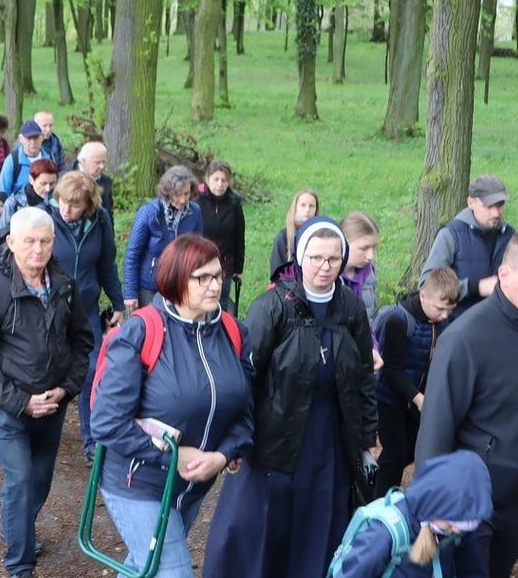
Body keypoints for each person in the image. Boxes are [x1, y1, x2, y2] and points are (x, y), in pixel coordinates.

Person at [203, 216, 377, 577]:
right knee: (264, 527)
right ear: (300, 257)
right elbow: (244, 378)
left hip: (329, 435)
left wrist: (366, 437)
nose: (324, 267)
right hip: (276, 433)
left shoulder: (351, 309)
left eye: (332, 259)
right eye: (315, 258)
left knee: (320, 524)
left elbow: (362, 377)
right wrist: (238, 438)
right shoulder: (272, 307)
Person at [415, 229, 518, 578]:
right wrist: (431, 509)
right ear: (504, 276)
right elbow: (436, 428)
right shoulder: (464, 339)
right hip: (469, 502)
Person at [92, 233, 253, 578]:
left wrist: (222, 455)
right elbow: (106, 423)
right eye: (203, 278)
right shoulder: (140, 332)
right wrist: (174, 456)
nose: (215, 286)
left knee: (143, 566)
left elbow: (246, 410)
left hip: (192, 487)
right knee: (173, 573)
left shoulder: (232, 332)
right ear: (177, 278)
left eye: (218, 276)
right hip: (139, 484)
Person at [0, 206, 94, 578]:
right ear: (11, 242)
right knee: (19, 478)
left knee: (39, 481)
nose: (38, 250)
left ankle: (15, 525)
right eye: (29, 242)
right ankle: (20, 565)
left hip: (52, 405)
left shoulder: (65, 286)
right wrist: (20, 401)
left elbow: (83, 342)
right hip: (9, 406)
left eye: (45, 241)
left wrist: (65, 390)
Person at [49, 171, 124, 467]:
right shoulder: (46, 217)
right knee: (49, 368)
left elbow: (107, 263)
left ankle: (91, 440)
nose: (66, 209)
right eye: (63, 202)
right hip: (51, 307)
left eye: (75, 205)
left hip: (87, 308)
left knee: (92, 371)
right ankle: (42, 434)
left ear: (88, 206)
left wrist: (117, 301)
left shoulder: (100, 220)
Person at [334, 450, 493, 578]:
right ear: (434, 505)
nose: (457, 531)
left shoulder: (455, 532)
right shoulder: (384, 534)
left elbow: (473, 571)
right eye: (451, 524)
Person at [372, 268, 460, 498]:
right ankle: (376, 506)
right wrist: (418, 398)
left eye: (449, 310)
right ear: (423, 296)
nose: (444, 315)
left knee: (412, 450)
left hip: (419, 401)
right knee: (395, 454)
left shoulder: (443, 324)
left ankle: (372, 485)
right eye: (440, 309)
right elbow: (392, 370)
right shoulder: (399, 321)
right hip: (390, 399)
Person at [419, 176, 516, 320]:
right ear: (471, 202)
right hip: (458, 326)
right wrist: (474, 287)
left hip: (501, 325)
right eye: (489, 206)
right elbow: (427, 286)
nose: (496, 213)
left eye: (500, 205)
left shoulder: (512, 236)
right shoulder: (450, 235)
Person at [123, 166, 202, 310]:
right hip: (149, 287)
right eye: (178, 194)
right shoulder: (149, 212)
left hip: (180, 285)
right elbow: (132, 255)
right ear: (168, 192)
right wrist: (130, 293)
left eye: (186, 194)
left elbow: (196, 251)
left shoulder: (195, 212)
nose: (183, 199)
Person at [199, 160, 245, 315]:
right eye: (216, 180)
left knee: (220, 305)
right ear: (207, 179)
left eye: (224, 180)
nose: (220, 184)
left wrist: (238, 268)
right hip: (199, 263)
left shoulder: (234, 202)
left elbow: (239, 236)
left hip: (224, 265)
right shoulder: (197, 200)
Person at [268, 188, 320, 280]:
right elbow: (277, 272)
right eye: (303, 205)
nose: (307, 210)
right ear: (295, 208)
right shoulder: (284, 237)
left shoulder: (321, 236)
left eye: (312, 206)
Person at [341, 212, 380, 321]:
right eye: (364, 248)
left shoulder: (369, 274)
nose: (371, 256)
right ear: (343, 244)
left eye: (374, 247)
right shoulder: (327, 277)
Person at [0, 119, 47, 197]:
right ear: (21, 139)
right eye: (29, 138)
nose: (33, 142)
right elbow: (3, 193)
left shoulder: (48, 160)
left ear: (42, 137)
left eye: (36, 137)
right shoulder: (12, 161)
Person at [1, 159, 57, 228]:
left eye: (52, 184)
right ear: (31, 180)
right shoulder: (13, 203)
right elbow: (3, 234)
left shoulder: (57, 201)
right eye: (43, 184)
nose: (48, 189)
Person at [71, 141, 114, 226]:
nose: (102, 167)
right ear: (83, 161)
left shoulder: (106, 182)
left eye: (104, 162)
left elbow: (108, 213)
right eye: (97, 163)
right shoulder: (67, 179)